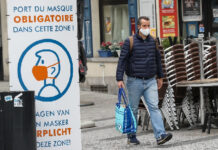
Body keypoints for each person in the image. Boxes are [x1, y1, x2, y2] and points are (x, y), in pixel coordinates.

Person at [116, 16, 172, 145]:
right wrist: (119, 78)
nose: (147, 28)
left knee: (154, 107)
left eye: (148, 25)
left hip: (150, 80)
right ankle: (131, 135)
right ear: (139, 27)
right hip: (134, 81)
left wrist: (160, 76)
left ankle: (160, 135)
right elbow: (122, 60)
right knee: (133, 109)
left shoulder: (153, 41)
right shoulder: (129, 41)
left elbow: (158, 60)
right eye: (144, 26)